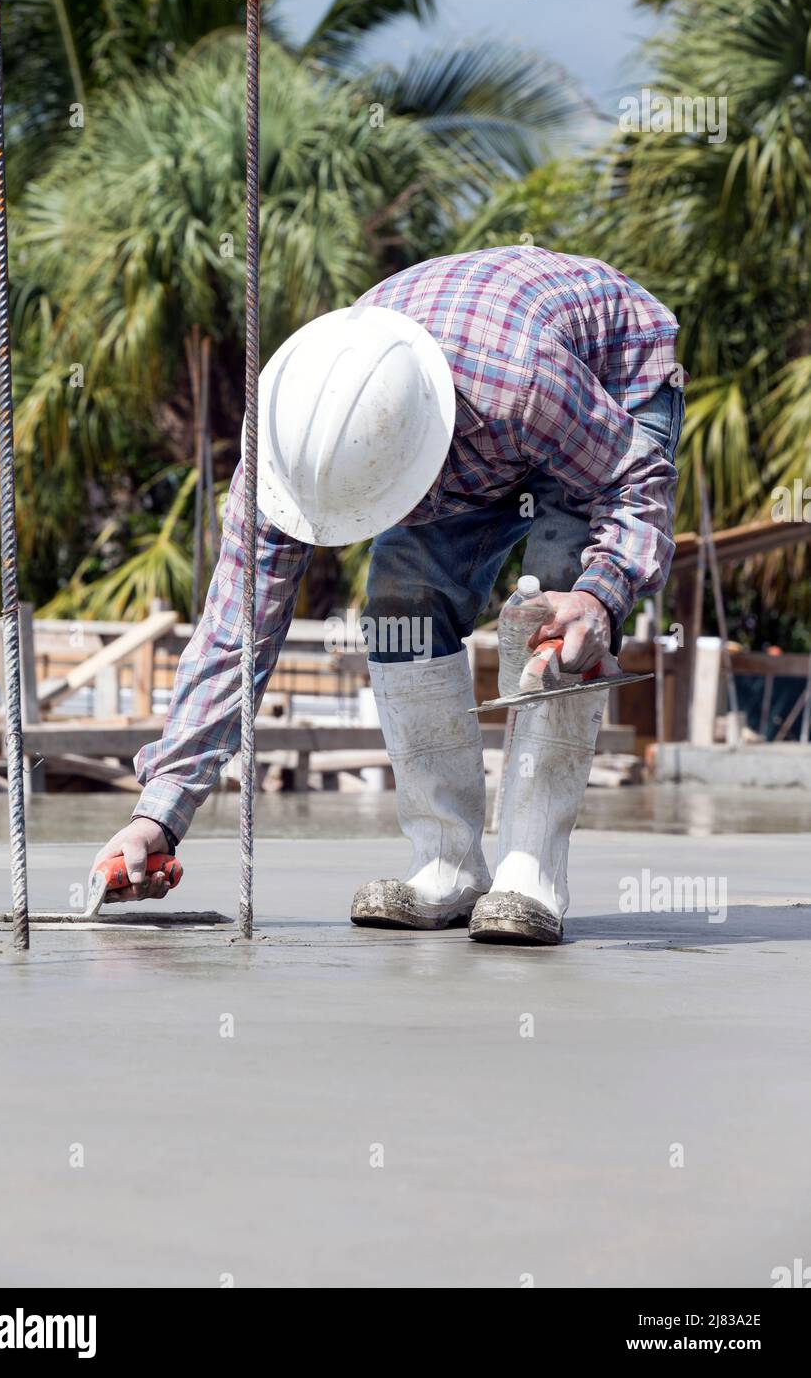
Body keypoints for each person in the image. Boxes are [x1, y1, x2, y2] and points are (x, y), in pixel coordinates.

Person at [93, 246, 683, 945]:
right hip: (480, 415)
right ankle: (448, 861)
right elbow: (235, 632)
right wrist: (158, 813)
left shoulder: (519, 385)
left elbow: (630, 480)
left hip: (609, 377)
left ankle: (531, 870)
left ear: (418, 458)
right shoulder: (283, 452)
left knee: (548, 612)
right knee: (401, 608)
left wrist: (601, 594)